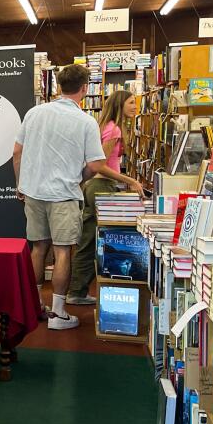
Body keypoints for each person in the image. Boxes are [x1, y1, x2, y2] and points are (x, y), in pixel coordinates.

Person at [13, 64, 144, 330]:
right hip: (63, 194)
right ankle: (59, 313)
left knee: (38, 248)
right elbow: (96, 165)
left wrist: (21, 184)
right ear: (85, 89)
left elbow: (17, 152)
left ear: (59, 86)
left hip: (34, 192)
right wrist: (78, 178)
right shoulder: (84, 121)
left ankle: (37, 305)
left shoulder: (34, 113)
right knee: (63, 251)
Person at [68, 89, 138, 305]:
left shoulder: (105, 127)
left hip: (94, 185)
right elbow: (102, 166)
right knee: (94, 241)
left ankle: (77, 291)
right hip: (102, 186)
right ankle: (77, 292)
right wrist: (130, 181)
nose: (135, 107)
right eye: (131, 103)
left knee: (89, 240)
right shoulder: (114, 130)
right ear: (120, 105)